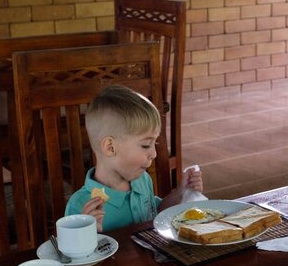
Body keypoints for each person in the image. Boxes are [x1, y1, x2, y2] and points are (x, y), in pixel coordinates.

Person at [65, 85, 203, 231]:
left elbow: (155, 213)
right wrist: (86, 233)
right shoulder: (80, 206)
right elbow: (69, 252)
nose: (154, 154)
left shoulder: (142, 180)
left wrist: (180, 192)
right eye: (145, 145)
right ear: (110, 147)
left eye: (154, 143)